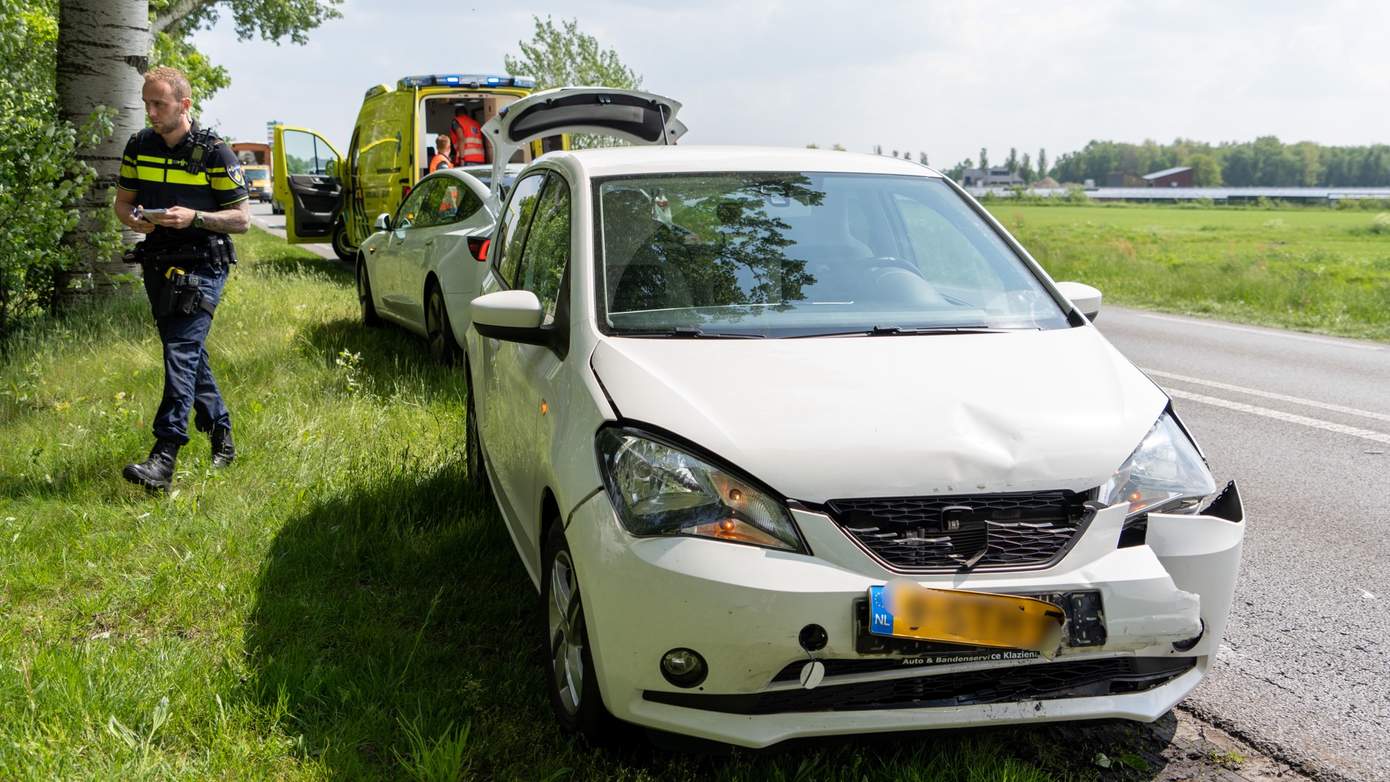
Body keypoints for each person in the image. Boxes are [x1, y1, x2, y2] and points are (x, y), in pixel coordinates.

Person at [113, 66, 250, 491]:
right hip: (157, 264)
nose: (151, 112)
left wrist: (197, 216)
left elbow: (242, 219)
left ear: (184, 105)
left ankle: (164, 454)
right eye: (147, 103)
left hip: (204, 264)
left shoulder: (214, 153)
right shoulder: (138, 146)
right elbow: (122, 204)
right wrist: (136, 221)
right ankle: (221, 432)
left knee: (181, 350)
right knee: (188, 352)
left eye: (160, 104)